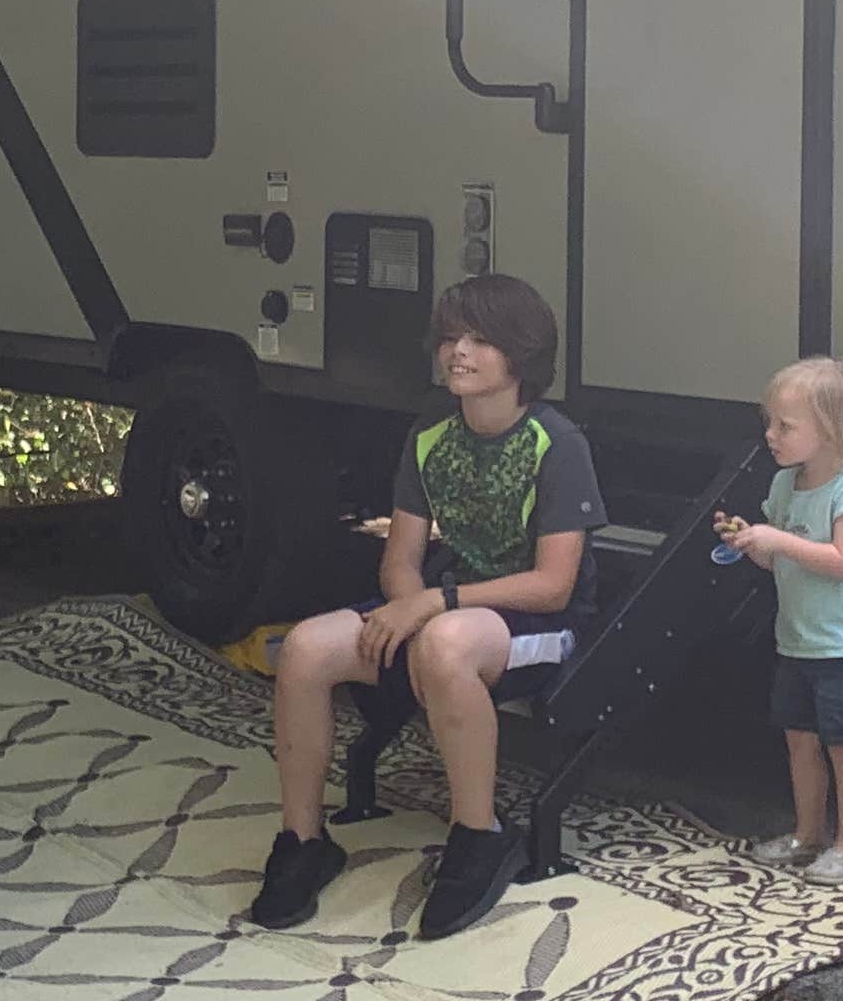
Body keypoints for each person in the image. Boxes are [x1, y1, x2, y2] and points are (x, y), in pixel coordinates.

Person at [252, 271, 604, 942]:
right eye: (449, 338)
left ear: (521, 354)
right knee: (304, 648)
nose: (457, 352)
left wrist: (431, 609)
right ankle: (303, 841)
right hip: (448, 612)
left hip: (539, 628)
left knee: (445, 642)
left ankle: (479, 834)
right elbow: (399, 560)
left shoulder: (558, 443)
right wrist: (411, 607)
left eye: (479, 339)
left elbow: (553, 585)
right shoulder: (430, 434)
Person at [713, 354, 843, 883]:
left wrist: (778, 539)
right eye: (769, 422)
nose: (771, 435)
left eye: (785, 425)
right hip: (798, 641)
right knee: (800, 739)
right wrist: (751, 542)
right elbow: (779, 561)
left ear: (829, 430)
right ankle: (807, 834)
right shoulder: (784, 486)